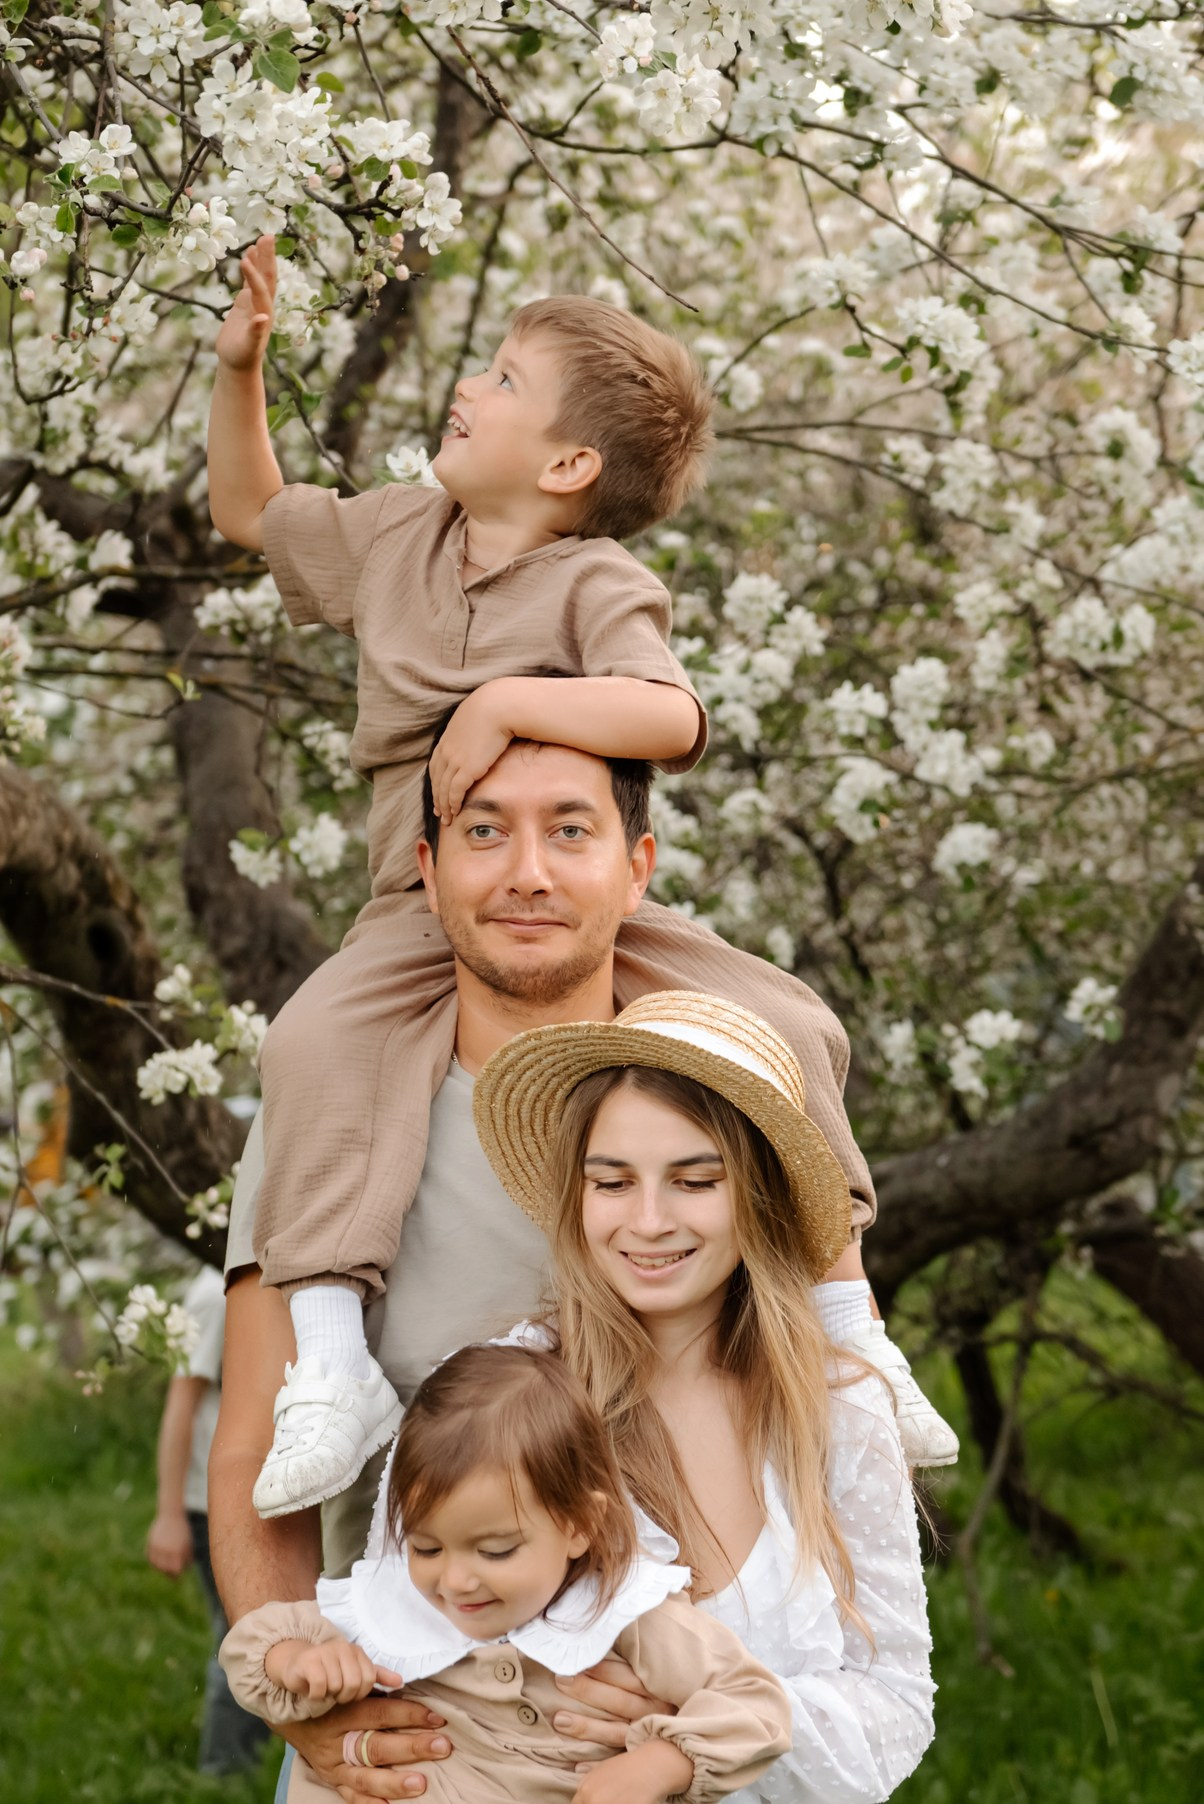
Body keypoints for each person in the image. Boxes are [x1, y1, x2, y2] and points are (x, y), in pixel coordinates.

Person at [208, 239, 955, 1516]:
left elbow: (671, 718)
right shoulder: (397, 533)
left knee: (785, 1022)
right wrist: (240, 371)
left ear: (565, 466)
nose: (470, 386)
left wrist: (506, 700)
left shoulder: (594, 583)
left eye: (503, 378)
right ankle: (331, 1367)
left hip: (575, 903)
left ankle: (852, 1334)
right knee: (314, 1042)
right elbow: (247, 511)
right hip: (419, 904)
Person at [207, 737, 928, 1799]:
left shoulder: (723, 1097)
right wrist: (310, 1708)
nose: (528, 873)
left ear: (637, 868)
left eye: (571, 830)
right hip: (415, 1739)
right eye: (484, 830)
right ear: (428, 867)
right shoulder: (334, 1109)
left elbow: (820, 1337)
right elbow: (255, 1448)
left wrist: (690, 1739)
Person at [471, 990, 937, 1799]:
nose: (649, 1221)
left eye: (694, 1180)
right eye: (613, 1182)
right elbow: (411, 1646)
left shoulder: (841, 1411)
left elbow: (896, 1705)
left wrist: (695, 1742)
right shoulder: (497, 1399)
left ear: (759, 1195)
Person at [220, 1344, 793, 1804]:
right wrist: (297, 1662)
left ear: (579, 1525)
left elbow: (755, 1706)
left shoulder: (621, 1613)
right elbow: (252, 1647)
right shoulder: (392, 1604)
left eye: (495, 1551)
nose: (455, 1581)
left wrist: (662, 1763)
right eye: (425, 1547)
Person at [145, 1263, 271, 1776]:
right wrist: (169, 1514)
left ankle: (257, 1755)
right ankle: (223, 1773)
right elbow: (181, 1405)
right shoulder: (215, 1295)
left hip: (253, 1496)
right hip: (212, 1502)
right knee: (240, 1635)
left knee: (265, 1625)